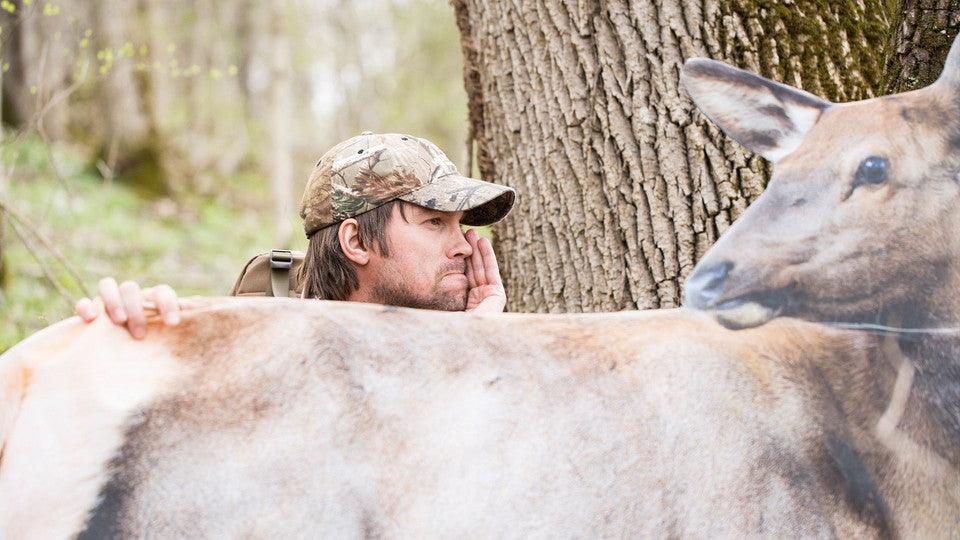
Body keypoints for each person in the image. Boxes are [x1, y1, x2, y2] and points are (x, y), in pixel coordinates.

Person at [75, 132, 517, 338]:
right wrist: (129, 337)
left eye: (463, 225)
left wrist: (479, 341)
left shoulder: (471, 332)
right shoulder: (257, 340)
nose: (464, 246)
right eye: (435, 222)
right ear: (356, 243)